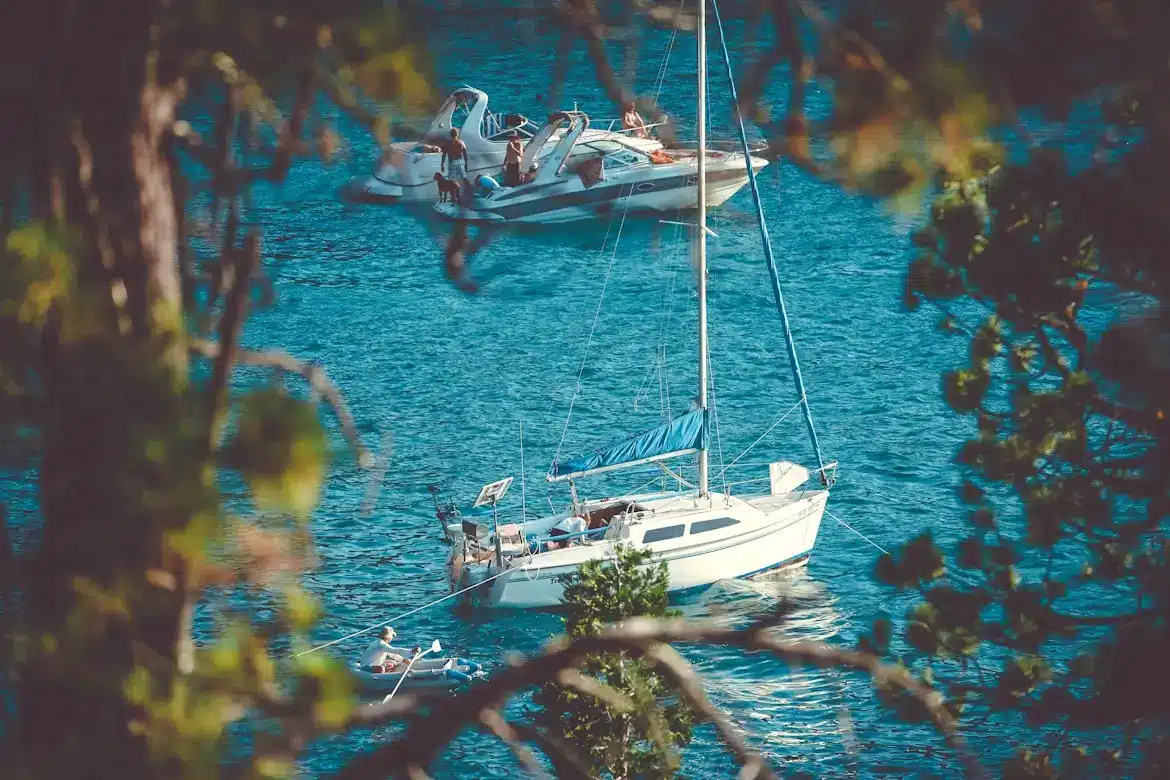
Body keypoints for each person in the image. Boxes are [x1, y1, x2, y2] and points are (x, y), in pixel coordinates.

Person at [440, 127, 469, 195]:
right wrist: (466, 164)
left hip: (452, 163)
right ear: (458, 134)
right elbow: (465, 154)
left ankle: (455, 197)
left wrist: (442, 164)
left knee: (452, 182)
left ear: (450, 134)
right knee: (464, 177)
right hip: (460, 162)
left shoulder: (447, 143)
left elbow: (444, 155)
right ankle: (468, 191)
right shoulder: (461, 143)